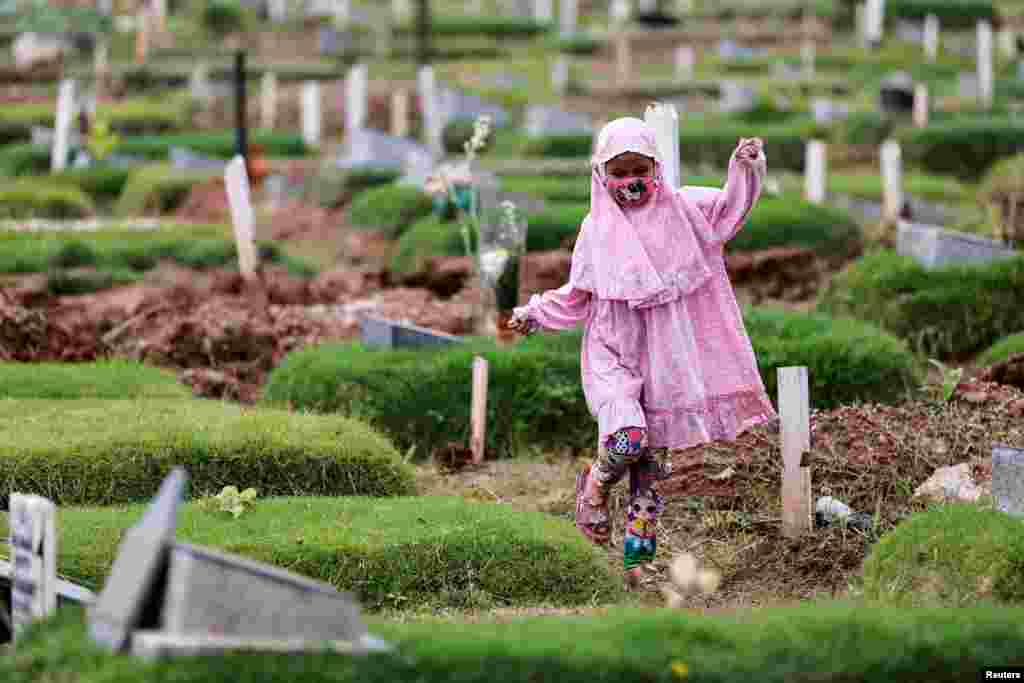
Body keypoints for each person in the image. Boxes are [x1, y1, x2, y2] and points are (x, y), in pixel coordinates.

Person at [507, 117, 778, 585]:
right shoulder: (595, 230)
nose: (631, 183)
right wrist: (535, 313)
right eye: (620, 173)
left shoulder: (688, 209)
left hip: (665, 355)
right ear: (601, 175)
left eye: (640, 170)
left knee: (650, 469)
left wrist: (746, 166)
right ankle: (593, 488)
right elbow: (578, 295)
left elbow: (733, 208)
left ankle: (638, 562)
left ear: (656, 166)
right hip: (613, 350)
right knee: (628, 440)